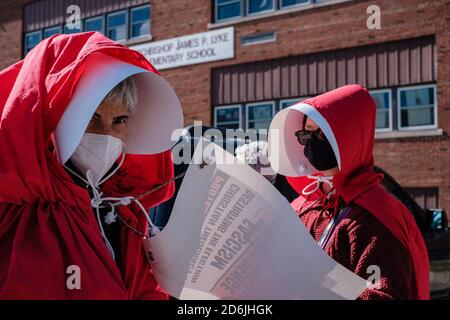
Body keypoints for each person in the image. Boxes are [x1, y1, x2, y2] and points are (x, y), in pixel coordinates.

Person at [0, 32, 183, 299]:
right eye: (91, 118)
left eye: (119, 120)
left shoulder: (124, 211)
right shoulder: (18, 207)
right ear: (57, 118)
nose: (105, 134)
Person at [268, 84, 429, 299]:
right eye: (306, 135)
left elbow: (385, 294)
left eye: (322, 135)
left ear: (347, 136)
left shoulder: (376, 217)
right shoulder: (302, 206)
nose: (312, 143)